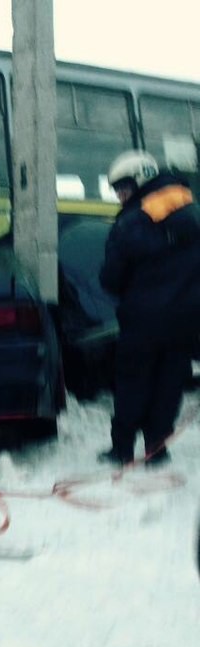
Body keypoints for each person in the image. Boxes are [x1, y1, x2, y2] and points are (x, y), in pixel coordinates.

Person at [98, 149, 200, 467]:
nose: (120, 196)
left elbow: (111, 278)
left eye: (123, 188)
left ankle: (122, 450)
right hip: (185, 321)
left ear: (139, 180)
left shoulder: (130, 223)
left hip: (142, 320)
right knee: (169, 384)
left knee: (132, 382)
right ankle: (157, 449)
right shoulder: (192, 209)